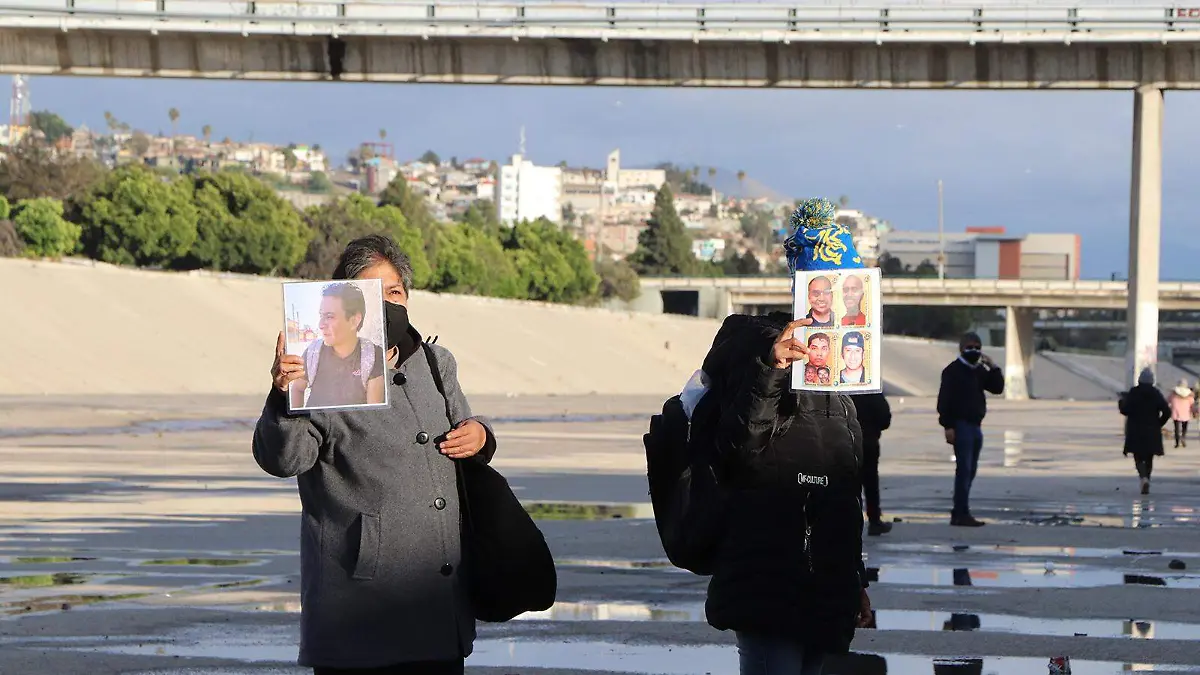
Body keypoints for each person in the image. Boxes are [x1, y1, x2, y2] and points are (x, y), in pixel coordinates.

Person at [254, 234, 497, 675]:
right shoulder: (320, 366)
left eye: (395, 292)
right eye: (373, 293)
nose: (387, 303)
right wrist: (283, 397)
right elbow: (283, 460)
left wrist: (480, 436)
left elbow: (467, 429)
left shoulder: (436, 362)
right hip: (357, 613)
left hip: (437, 608)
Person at [703, 313, 872, 675]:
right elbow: (740, 446)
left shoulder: (840, 407)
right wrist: (772, 368)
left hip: (825, 587)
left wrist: (856, 579)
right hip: (769, 584)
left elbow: (844, 502)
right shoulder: (762, 383)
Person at [936, 332, 1004, 527]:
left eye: (977, 347)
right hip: (960, 425)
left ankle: (961, 510)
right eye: (970, 347)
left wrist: (994, 367)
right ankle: (960, 513)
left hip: (976, 426)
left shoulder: (979, 371)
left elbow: (997, 388)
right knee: (964, 470)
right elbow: (944, 401)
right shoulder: (952, 371)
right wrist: (948, 426)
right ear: (961, 348)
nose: (974, 351)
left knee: (971, 470)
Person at [291, 282, 387, 409]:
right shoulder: (313, 352)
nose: (321, 324)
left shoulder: (372, 355)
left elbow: (374, 413)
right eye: (321, 315)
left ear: (354, 320)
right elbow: (297, 388)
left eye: (329, 316)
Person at [1120, 368, 1171, 495]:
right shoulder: (1156, 393)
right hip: (1151, 430)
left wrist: (1121, 402)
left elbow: (1125, 410)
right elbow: (1167, 411)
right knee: (1149, 457)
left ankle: (1143, 478)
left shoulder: (1133, 392)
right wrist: (1159, 423)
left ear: (1140, 379)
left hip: (1135, 430)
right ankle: (1147, 478)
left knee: (1138, 457)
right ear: (1152, 380)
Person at [853, 391, 892, 536]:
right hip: (868, 441)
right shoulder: (872, 392)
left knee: (847, 484)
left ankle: (850, 522)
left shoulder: (842, 392)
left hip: (844, 442)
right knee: (870, 484)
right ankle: (874, 520)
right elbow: (884, 419)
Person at [1169, 378, 1194, 448]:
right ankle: (1183, 437)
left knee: (1176, 428)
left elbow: (1168, 400)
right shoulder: (1189, 395)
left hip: (1176, 413)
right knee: (1184, 427)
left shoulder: (1173, 394)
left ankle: (1177, 442)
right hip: (1186, 413)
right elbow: (1192, 403)